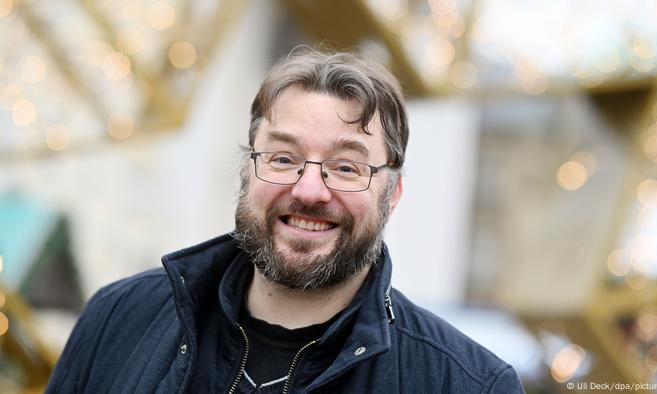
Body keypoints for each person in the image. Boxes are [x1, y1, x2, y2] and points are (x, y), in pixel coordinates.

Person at [47, 47, 525, 393]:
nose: (309, 190)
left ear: (392, 195)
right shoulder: (118, 317)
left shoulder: (466, 383)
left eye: (346, 167)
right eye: (282, 157)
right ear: (246, 170)